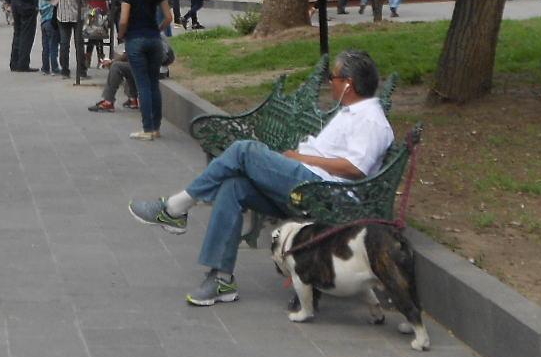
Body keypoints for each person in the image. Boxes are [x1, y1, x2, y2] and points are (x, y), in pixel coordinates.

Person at [127, 50, 394, 308]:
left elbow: (355, 168)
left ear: (349, 84)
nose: (330, 85)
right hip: (308, 183)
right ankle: (221, 279)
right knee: (234, 187)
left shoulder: (371, 120)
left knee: (244, 150)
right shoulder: (352, 112)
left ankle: (176, 207)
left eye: (333, 79)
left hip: (321, 192)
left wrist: (303, 160)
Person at [117, 0, 171, 140]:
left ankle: (147, 129)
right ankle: (156, 127)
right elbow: (168, 17)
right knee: (154, 83)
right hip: (154, 39)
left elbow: (124, 19)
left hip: (136, 40)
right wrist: (157, 29)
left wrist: (121, 35)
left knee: (143, 86)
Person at [55, 0, 83, 77]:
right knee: (79, 44)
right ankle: (81, 70)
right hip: (76, 15)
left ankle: (64, 70)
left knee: (64, 44)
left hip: (62, 14)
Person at [37, 0, 59, 75]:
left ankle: (45, 68)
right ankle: (54, 68)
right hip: (51, 22)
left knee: (45, 47)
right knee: (53, 46)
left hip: (43, 23)